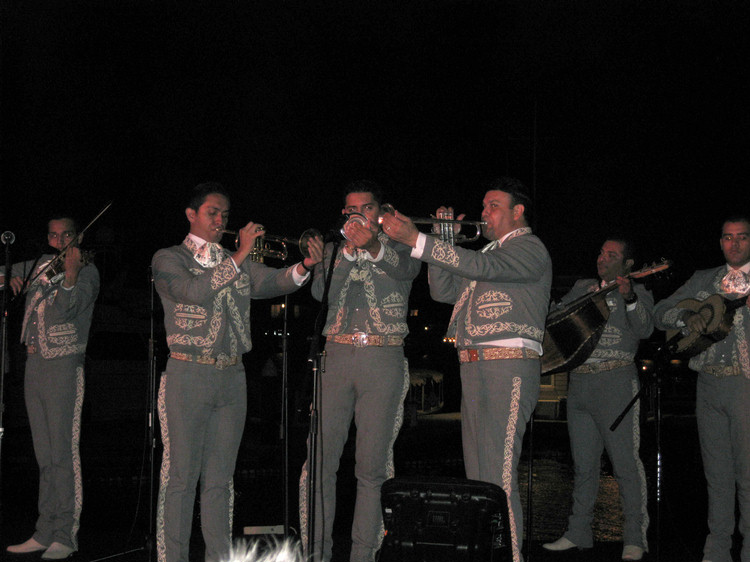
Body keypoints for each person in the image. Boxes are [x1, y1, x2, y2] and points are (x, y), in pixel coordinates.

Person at [381, 176, 552, 562]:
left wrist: (419, 240)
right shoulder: (489, 253)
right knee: (480, 479)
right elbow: (443, 291)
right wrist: (443, 240)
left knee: (501, 475)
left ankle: (511, 558)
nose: (484, 212)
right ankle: (488, 553)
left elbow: (481, 266)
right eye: (484, 204)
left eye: (493, 205)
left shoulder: (529, 248)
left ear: (518, 211)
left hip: (508, 367)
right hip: (474, 369)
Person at [151, 182, 323, 562]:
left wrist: (305, 266)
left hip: (232, 378)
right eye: (213, 212)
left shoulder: (237, 260)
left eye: (225, 215)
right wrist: (242, 253)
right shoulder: (169, 258)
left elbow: (275, 281)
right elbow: (193, 292)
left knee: (220, 482)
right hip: (187, 373)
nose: (221, 220)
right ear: (191, 215)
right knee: (180, 478)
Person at [299, 180, 421, 562]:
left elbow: (405, 272)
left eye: (364, 208)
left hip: (382, 359)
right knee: (319, 462)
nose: (356, 216)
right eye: (350, 210)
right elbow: (322, 295)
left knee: (371, 466)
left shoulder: (402, 243)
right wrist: (348, 254)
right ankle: (317, 553)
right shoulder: (333, 252)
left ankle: (363, 555)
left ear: (380, 211)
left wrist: (371, 246)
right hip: (335, 357)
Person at [542, 238, 652, 561]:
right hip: (580, 384)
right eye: (601, 253)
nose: (602, 258)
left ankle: (634, 537)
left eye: (612, 255)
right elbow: (557, 317)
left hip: (616, 382)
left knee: (626, 465)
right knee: (584, 465)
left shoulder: (637, 291)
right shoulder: (583, 286)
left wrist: (629, 296)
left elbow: (644, 327)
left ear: (628, 264)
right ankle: (579, 532)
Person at [2, 216, 100, 560]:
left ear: (78, 236)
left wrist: (70, 275)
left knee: (63, 453)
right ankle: (45, 530)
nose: (59, 242)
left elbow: (66, 310)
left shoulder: (87, 270)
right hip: (34, 364)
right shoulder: (41, 264)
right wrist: (11, 276)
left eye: (66, 236)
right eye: (54, 236)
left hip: (64, 365)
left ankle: (65, 534)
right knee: (44, 456)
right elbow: (4, 271)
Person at [654, 214, 750, 562]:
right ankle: (716, 551)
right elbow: (660, 312)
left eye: (741, 237)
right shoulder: (704, 279)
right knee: (717, 475)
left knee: (748, 475)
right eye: (728, 238)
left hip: (746, 384)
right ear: (720, 241)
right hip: (708, 383)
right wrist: (685, 317)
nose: (734, 244)